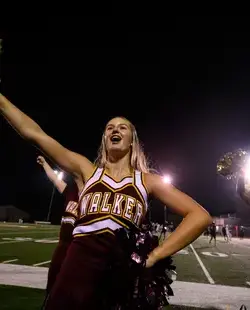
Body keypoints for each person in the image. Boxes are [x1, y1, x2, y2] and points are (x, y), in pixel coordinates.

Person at [0, 93, 212, 309]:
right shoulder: (87, 171)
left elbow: (200, 216)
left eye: (122, 127)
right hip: (76, 269)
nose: (115, 130)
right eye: (110, 128)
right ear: (104, 139)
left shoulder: (148, 181)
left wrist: (155, 256)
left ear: (132, 141)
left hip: (119, 277)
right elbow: (34, 134)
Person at [37, 155, 83, 305]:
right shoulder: (70, 191)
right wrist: (45, 164)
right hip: (62, 245)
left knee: (70, 287)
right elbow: (55, 180)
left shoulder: (92, 197)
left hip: (76, 249)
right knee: (52, 282)